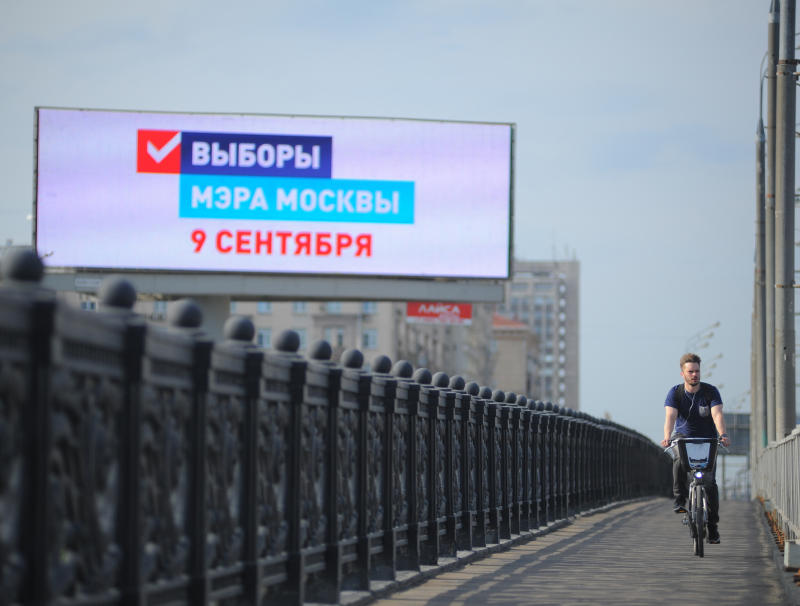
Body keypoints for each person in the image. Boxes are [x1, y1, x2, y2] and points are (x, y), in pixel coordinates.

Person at [660, 353, 730, 544]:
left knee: (710, 483)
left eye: (697, 371)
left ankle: (713, 527)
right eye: (690, 372)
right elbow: (671, 417)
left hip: (707, 440)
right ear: (682, 373)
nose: (694, 375)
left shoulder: (710, 392)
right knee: (678, 460)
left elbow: (717, 415)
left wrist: (722, 434)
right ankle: (680, 499)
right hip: (683, 438)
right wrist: (667, 437)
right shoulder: (675, 393)